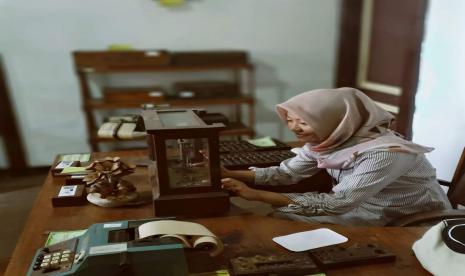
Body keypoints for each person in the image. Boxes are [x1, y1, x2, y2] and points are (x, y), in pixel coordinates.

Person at [221, 87, 451, 226]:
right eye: (290, 120)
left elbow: (338, 203)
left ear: (336, 120)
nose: (294, 128)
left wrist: (256, 195)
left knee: (282, 219)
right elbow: (287, 173)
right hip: (359, 204)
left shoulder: (383, 154)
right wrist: (230, 174)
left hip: (405, 214)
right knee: (281, 215)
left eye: (303, 122)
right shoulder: (328, 141)